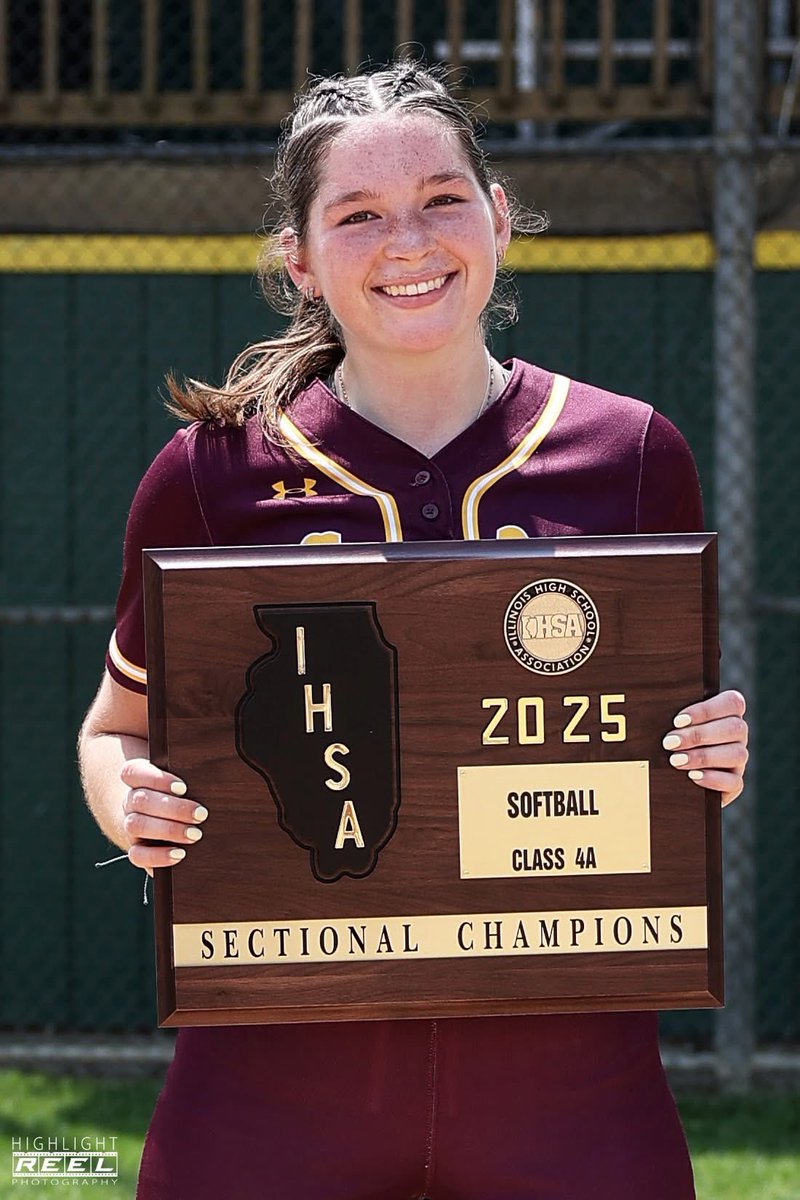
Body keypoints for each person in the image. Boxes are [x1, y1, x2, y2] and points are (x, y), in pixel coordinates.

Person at [78, 60, 748, 1200]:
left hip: (568, 1076)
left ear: (496, 215)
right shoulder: (210, 475)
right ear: (296, 255)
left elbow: (667, 743)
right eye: (357, 214)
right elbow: (114, 729)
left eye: (441, 198)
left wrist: (711, 755)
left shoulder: (633, 455)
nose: (408, 240)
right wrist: (128, 798)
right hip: (274, 1071)